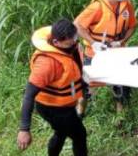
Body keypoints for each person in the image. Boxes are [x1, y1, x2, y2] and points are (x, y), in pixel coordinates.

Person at [17, 19, 87, 156]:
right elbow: (29, 95)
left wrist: (83, 86)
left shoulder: (69, 46)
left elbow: (74, 69)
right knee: (79, 135)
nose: (74, 43)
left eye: (75, 39)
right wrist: (24, 129)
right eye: (70, 42)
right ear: (56, 43)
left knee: (61, 132)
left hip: (65, 104)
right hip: (53, 109)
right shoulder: (46, 64)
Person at [74, 0, 137, 111]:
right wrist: (93, 43)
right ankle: (79, 113)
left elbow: (132, 26)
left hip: (116, 50)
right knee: (87, 84)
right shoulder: (97, 7)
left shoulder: (127, 5)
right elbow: (77, 25)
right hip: (94, 52)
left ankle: (121, 115)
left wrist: (121, 41)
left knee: (121, 82)